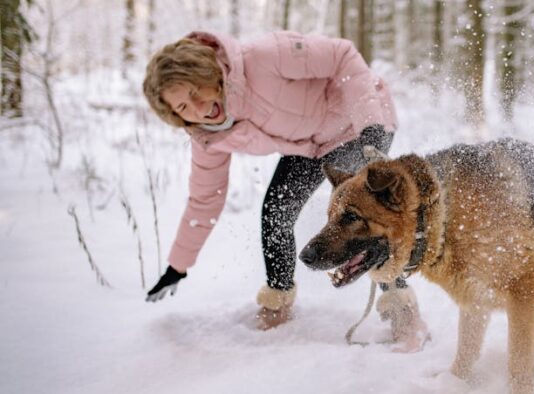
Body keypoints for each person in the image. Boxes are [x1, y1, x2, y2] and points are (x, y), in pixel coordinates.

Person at [141, 30, 429, 351]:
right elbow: (204, 199)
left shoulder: (263, 57)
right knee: (276, 213)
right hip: (311, 145)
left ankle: (402, 310)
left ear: (208, 71)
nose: (197, 107)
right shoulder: (209, 136)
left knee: (371, 215)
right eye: (183, 106)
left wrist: (370, 128)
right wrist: (177, 266)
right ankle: (277, 303)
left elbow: (343, 56)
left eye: (196, 90)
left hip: (357, 124)